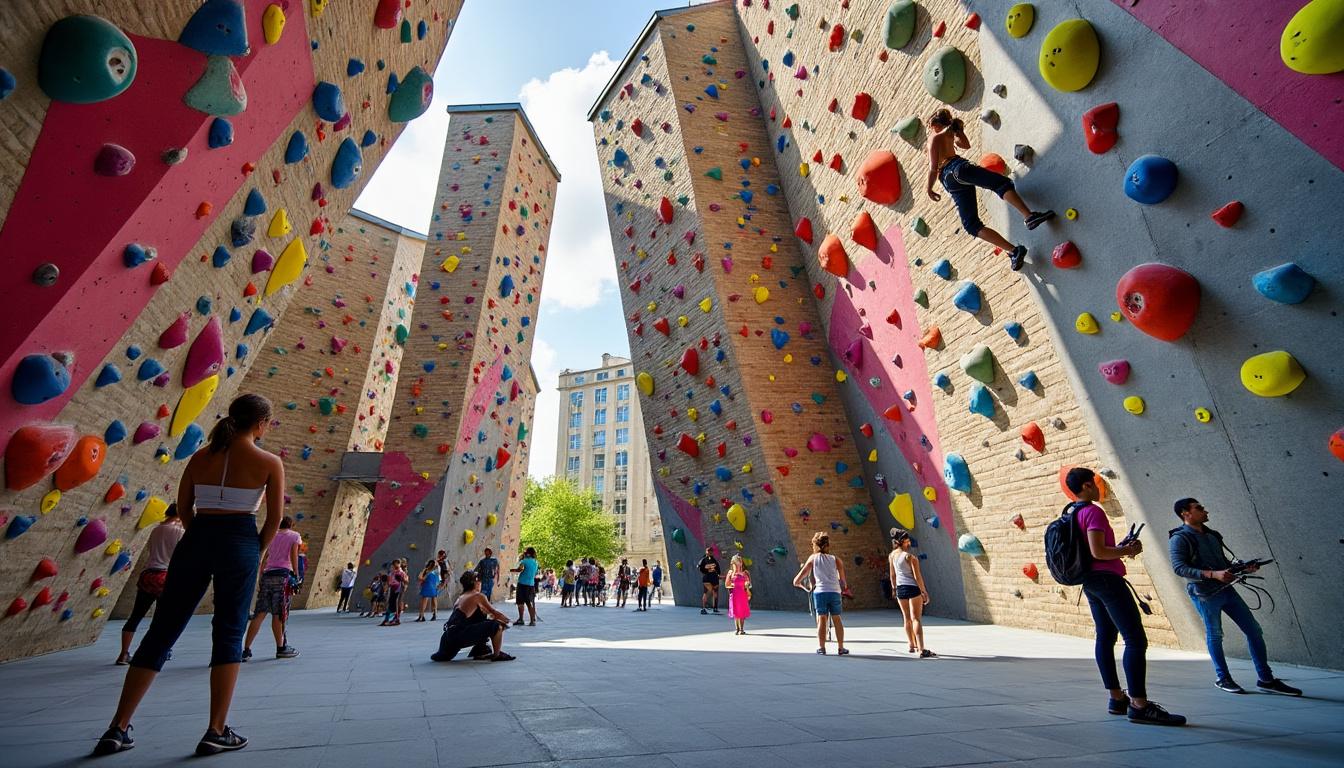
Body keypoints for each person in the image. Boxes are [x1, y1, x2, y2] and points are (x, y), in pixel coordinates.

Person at [93, 394, 284, 757]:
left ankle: (117, 727)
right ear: (261, 424)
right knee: (229, 630)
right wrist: (255, 550)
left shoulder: (200, 456)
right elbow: (273, 518)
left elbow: (184, 506)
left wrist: (199, 537)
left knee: (162, 629)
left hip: (198, 536)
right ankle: (216, 730)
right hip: (241, 540)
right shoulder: (269, 462)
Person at [1066, 467, 1186, 726]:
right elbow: (1099, 552)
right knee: (1135, 640)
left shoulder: (1072, 512)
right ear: (1086, 485)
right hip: (1108, 581)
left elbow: (1092, 551)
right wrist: (1128, 549)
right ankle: (1139, 705)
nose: (1099, 485)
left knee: (1105, 637)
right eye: (1095, 481)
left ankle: (1117, 699)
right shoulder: (1093, 511)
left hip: (1090, 581)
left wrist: (1119, 548)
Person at [1169, 498, 1301, 696]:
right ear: (1185, 513)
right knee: (1215, 634)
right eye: (1199, 508)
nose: (1205, 511)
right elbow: (1179, 568)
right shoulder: (1179, 538)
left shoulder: (1213, 535)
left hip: (1226, 589)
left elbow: (1224, 564)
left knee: (1254, 630)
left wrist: (1243, 568)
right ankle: (1223, 678)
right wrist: (1213, 574)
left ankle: (1266, 679)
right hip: (1204, 593)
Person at [925, 108, 1054, 271]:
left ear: (935, 124)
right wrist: (958, 130)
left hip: (949, 180)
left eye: (931, 126)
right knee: (999, 184)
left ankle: (1014, 251)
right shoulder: (948, 133)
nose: (931, 130)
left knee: (971, 225)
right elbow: (965, 145)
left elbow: (933, 168)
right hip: (959, 168)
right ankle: (1029, 217)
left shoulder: (935, 137)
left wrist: (929, 188)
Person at [117, 504, 186, 665]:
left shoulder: (156, 530)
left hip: (148, 575)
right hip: (166, 577)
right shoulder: (180, 532)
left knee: (135, 616)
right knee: (162, 619)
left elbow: (151, 551)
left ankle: (123, 654)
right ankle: (156, 652)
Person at [242, 516, 301, 661]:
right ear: (291, 525)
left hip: (267, 575)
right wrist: (296, 574)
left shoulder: (272, 534)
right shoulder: (294, 536)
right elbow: (294, 555)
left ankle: (246, 650)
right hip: (283, 576)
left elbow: (265, 557)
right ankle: (281, 648)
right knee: (279, 614)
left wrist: (261, 576)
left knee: (259, 614)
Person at [431, 572, 515, 662]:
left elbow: (484, 616)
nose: (481, 582)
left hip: (447, 638)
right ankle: (497, 655)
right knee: (497, 626)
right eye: (479, 580)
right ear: (476, 583)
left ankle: (480, 649)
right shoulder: (478, 596)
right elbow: (494, 613)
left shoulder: (461, 597)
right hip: (459, 635)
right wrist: (509, 622)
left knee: (484, 620)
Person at [793, 532, 848, 655]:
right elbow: (843, 582)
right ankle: (841, 647)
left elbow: (797, 580)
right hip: (834, 592)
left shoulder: (813, 558)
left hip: (820, 592)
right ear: (828, 545)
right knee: (837, 619)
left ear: (815, 545)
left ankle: (822, 648)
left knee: (821, 619)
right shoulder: (836, 560)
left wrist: (805, 587)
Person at [888, 529, 934, 658]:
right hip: (913, 588)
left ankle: (911, 645)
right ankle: (921, 649)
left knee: (906, 618)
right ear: (902, 541)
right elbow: (917, 576)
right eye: (907, 541)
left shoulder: (892, 556)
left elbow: (892, 575)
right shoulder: (910, 557)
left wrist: (894, 588)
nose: (909, 543)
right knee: (916, 619)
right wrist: (924, 591)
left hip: (900, 589)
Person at [510, 547, 539, 625]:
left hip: (522, 584)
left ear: (528, 554)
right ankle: (532, 621)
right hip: (531, 585)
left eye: (525, 552)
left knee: (520, 602)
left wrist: (511, 570)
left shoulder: (524, 561)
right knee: (530, 603)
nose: (524, 554)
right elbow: (535, 573)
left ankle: (521, 619)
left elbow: (520, 569)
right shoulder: (535, 562)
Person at [726, 555, 752, 635]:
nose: (739, 563)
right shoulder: (731, 573)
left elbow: (749, 584)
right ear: (733, 563)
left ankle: (741, 629)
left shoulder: (745, 573)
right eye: (737, 561)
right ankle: (737, 629)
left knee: (742, 612)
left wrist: (747, 584)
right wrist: (733, 585)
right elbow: (727, 585)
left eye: (740, 561)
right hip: (734, 594)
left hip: (742, 594)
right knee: (736, 612)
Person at [698, 548, 721, 615]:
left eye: (711, 551)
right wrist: (707, 571)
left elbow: (718, 569)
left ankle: (715, 608)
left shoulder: (714, 560)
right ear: (706, 552)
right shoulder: (703, 560)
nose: (710, 552)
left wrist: (718, 574)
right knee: (707, 592)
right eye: (708, 551)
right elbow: (700, 568)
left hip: (714, 578)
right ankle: (703, 608)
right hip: (707, 578)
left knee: (715, 592)